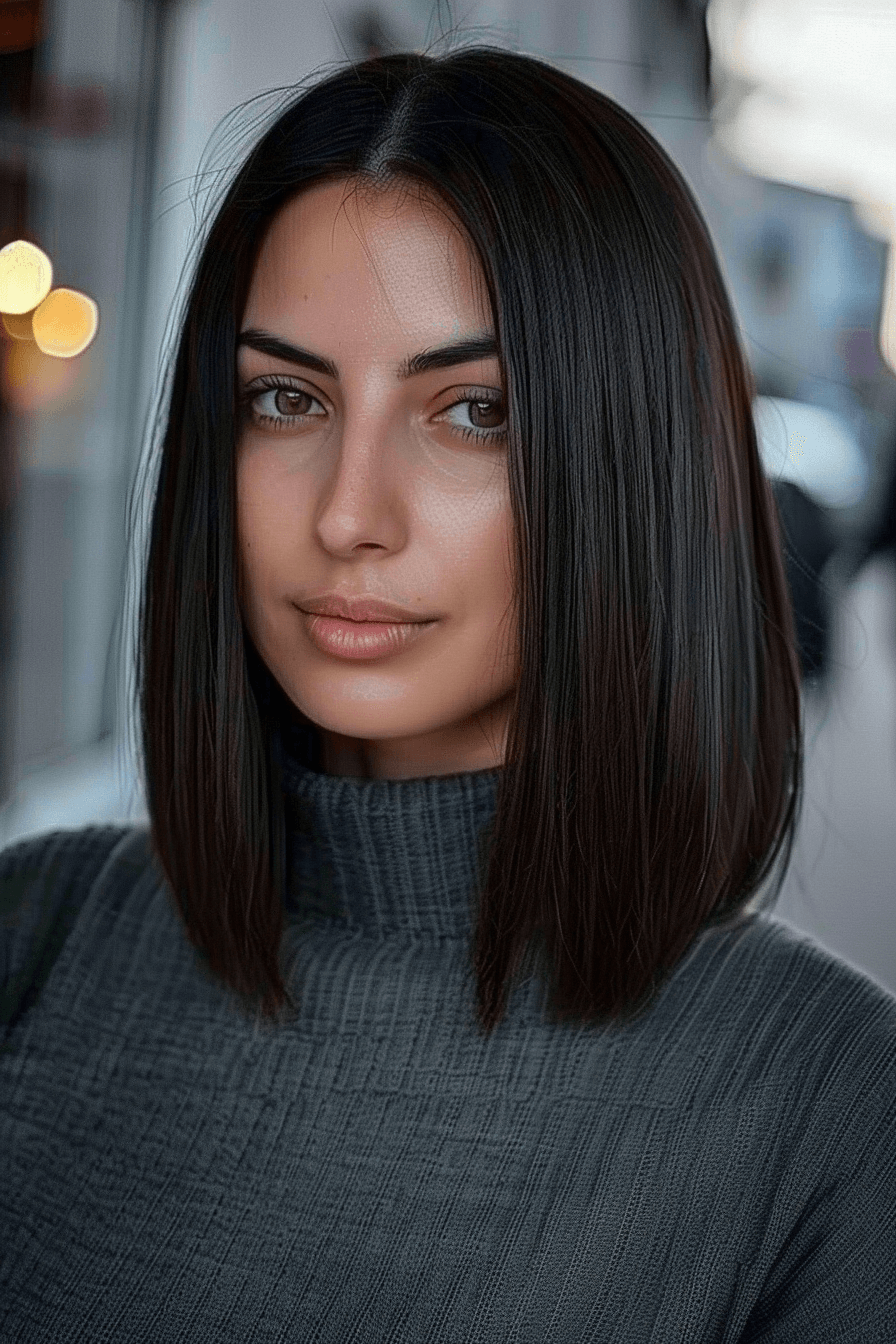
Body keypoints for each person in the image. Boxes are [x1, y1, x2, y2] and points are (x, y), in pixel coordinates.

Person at [2, 46, 894, 1342]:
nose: (349, 513)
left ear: (631, 460)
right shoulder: (43, 933)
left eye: (474, 412)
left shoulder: (830, 1111)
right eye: (287, 399)